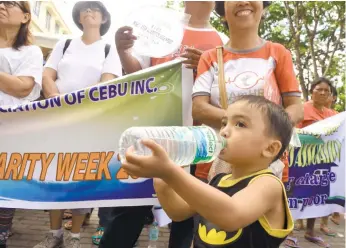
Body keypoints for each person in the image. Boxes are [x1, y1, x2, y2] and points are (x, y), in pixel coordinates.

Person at [99, 2, 228, 248]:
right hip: (153, 132)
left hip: (198, 141)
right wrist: (122, 50)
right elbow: (137, 75)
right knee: (131, 207)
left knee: (187, 216)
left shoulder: (222, 39)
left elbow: (226, 88)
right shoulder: (162, 28)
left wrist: (208, 64)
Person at [121, 95, 294, 248]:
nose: (225, 131)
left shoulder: (268, 184)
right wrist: (163, 180)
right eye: (224, 123)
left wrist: (171, 172)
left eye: (240, 124)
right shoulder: (219, 180)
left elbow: (231, 215)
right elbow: (178, 213)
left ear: (270, 148)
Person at [33, 2, 122, 248]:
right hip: (56, 120)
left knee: (81, 177)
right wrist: (56, 100)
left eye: (95, 9)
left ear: (104, 18)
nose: (89, 12)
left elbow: (107, 83)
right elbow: (47, 75)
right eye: (84, 9)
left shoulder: (108, 49)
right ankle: (54, 233)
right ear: (78, 18)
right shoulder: (65, 44)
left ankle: (73, 235)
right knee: (54, 175)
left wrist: (80, 106)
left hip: (87, 123)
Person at [192, 1, 304, 186]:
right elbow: (199, 109)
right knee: (216, 214)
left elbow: (296, 109)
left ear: (263, 7)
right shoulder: (210, 57)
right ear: (222, 13)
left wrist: (258, 129)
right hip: (215, 164)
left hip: (268, 165)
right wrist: (248, 126)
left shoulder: (278, 53)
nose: (243, 1)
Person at [0, 1, 43, 247]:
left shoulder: (31, 52)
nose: (2, 5)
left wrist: (12, 84)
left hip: (10, 134)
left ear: (26, 16)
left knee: (4, 195)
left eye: (10, 2)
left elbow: (23, 87)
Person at [293, 77, 338, 248]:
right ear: (312, 90)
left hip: (324, 160)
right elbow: (292, 131)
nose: (323, 93)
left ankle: (310, 231)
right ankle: (288, 231)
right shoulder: (301, 110)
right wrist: (312, 134)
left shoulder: (333, 115)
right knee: (297, 193)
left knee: (317, 195)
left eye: (326, 90)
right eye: (319, 89)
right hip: (302, 159)